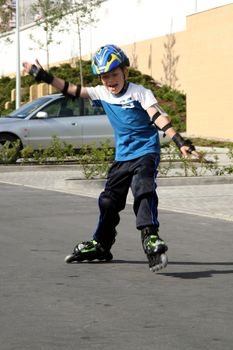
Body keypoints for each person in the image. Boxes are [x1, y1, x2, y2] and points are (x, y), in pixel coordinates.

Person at [23, 44, 199, 272]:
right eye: (105, 77)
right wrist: (43, 75)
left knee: (143, 189)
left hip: (145, 152)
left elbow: (157, 115)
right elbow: (72, 90)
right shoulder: (102, 92)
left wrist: (179, 141)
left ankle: (150, 236)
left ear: (125, 71)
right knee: (108, 201)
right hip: (123, 156)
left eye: (114, 74)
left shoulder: (140, 93)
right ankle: (102, 245)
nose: (110, 81)